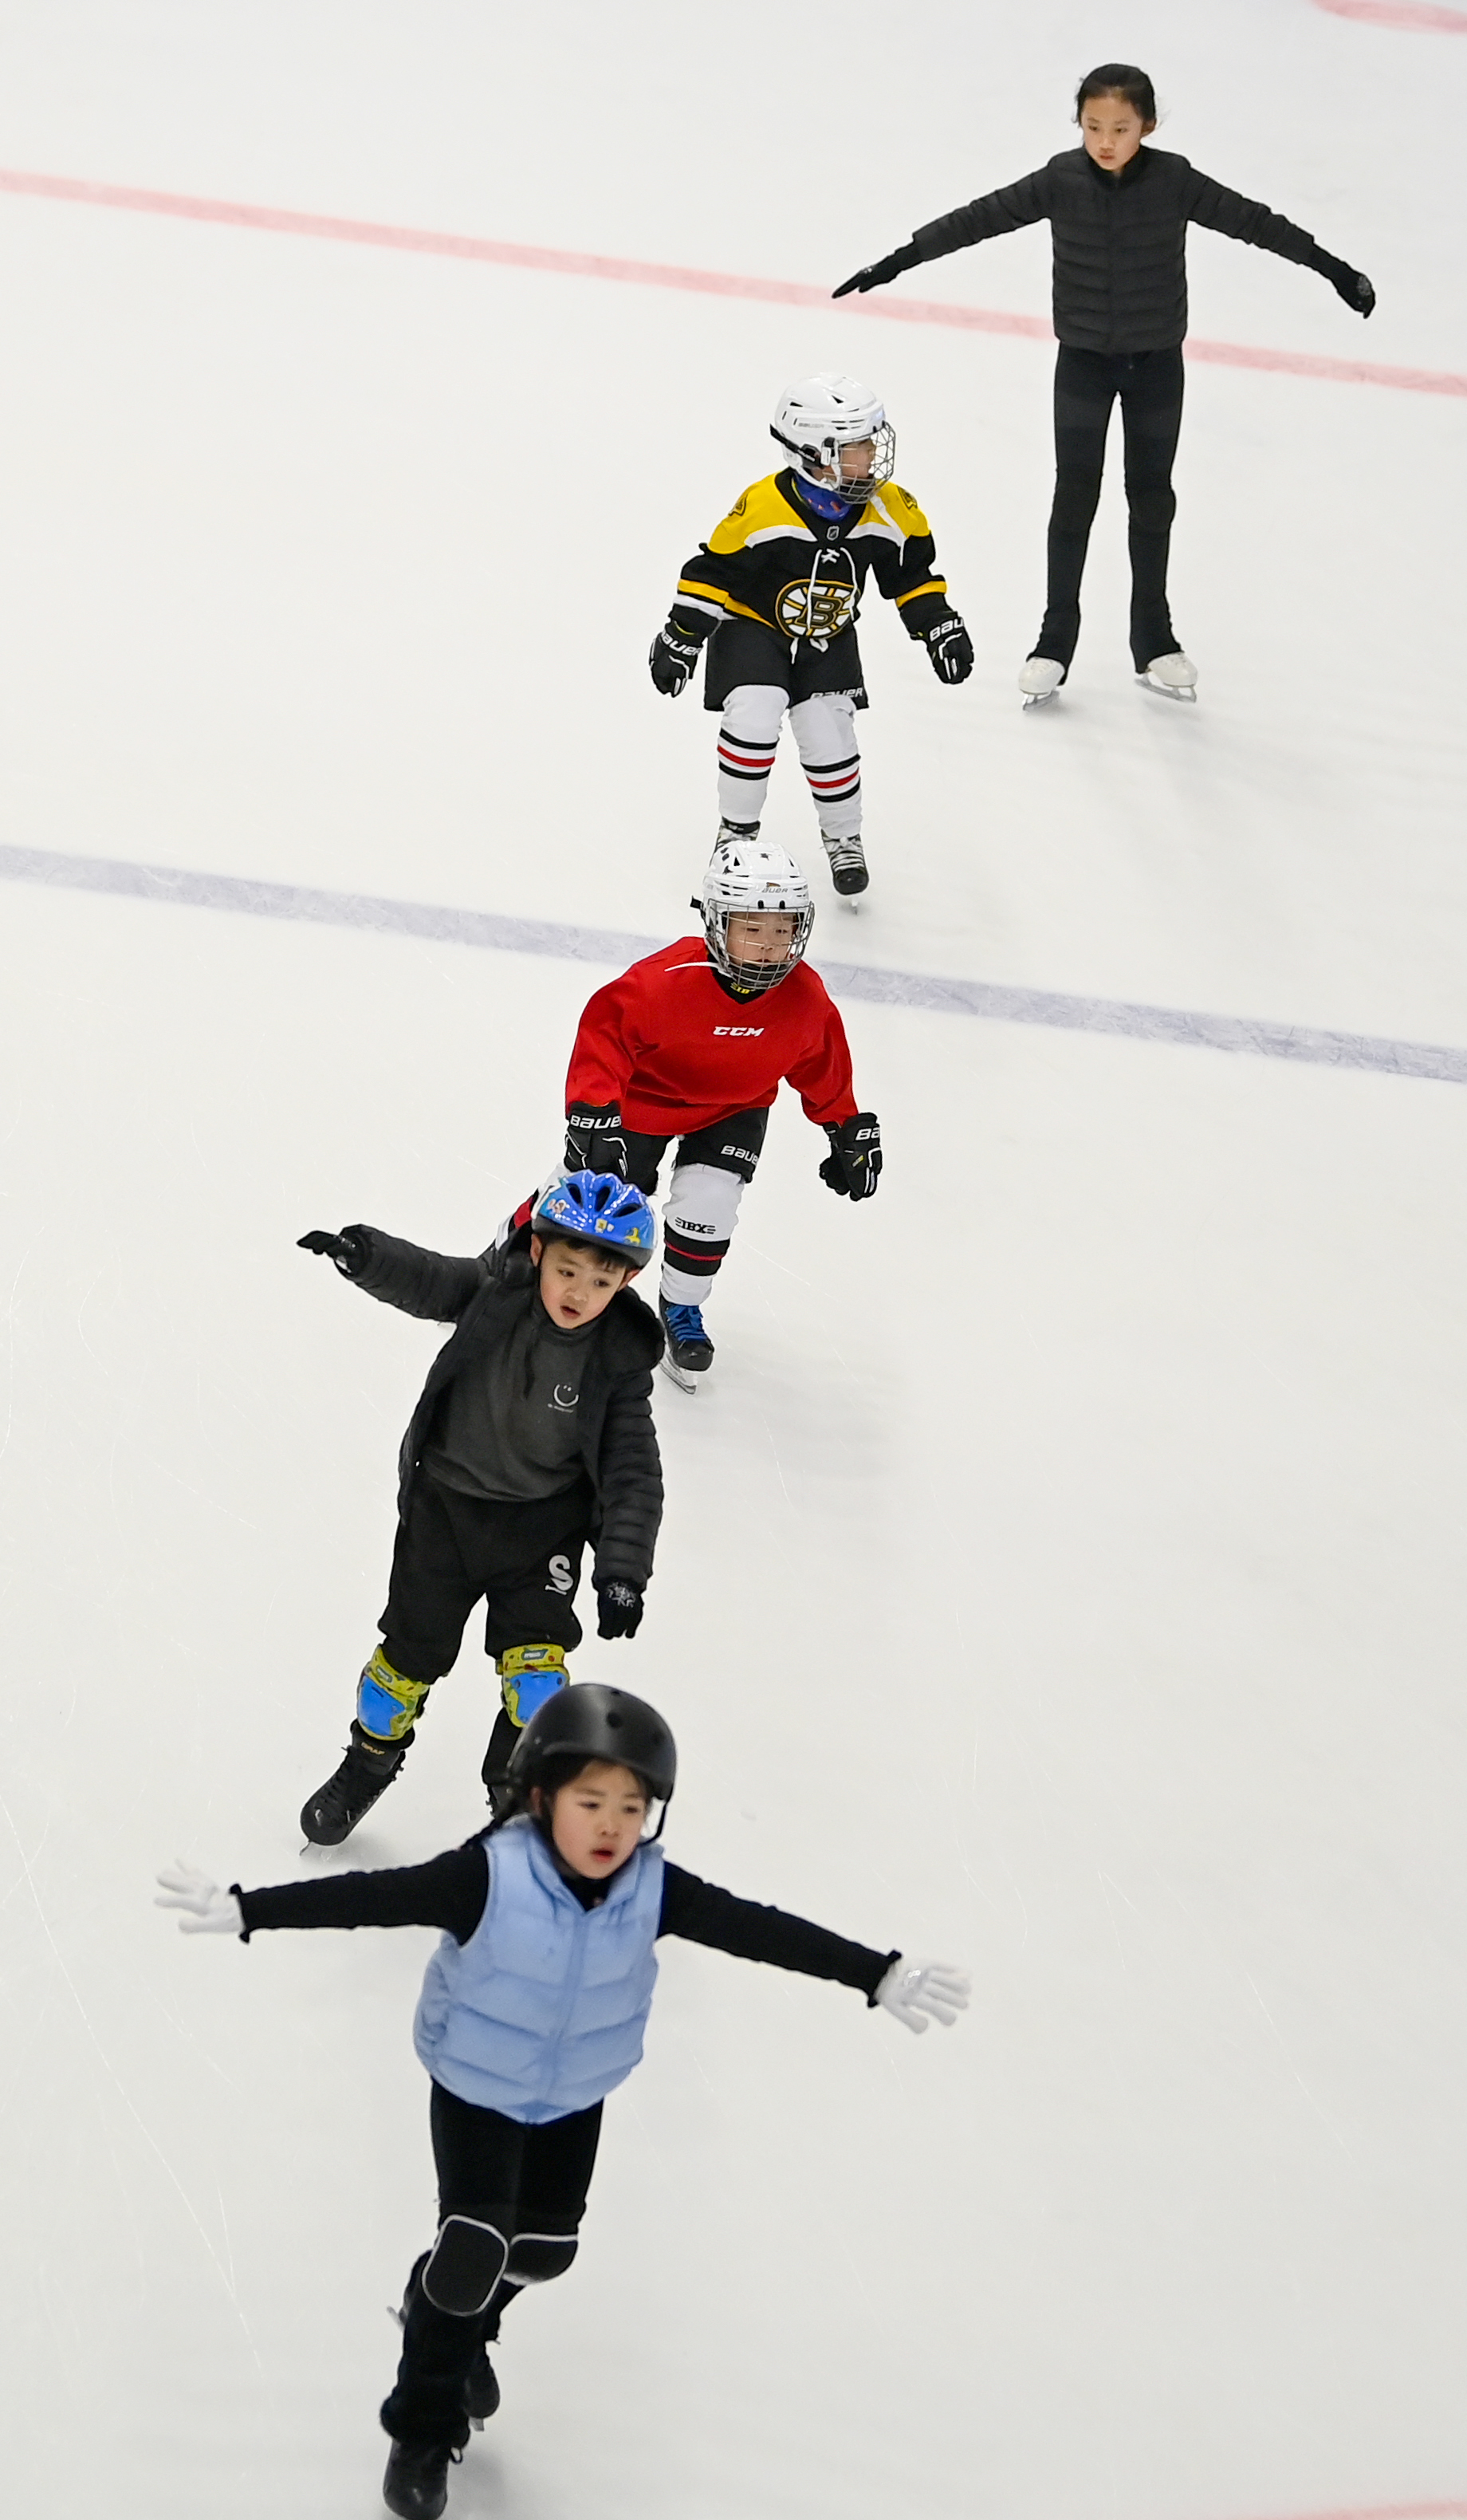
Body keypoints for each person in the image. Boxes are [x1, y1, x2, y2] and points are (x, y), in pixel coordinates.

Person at [156, 1683, 970, 2520]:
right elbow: (373, 1898)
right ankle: (424, 2427)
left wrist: (876, 1972)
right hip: (477, 2082)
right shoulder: (488, 1872)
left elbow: (758, 1927)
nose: (614, 1824)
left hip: (575, 2091)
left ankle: (449, 2310)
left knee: (541, 2252)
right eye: (592, 1802)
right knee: (473, 2251)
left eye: (633, 1805)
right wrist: (252, 1908)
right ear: (540, 1796)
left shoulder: (656, 1888)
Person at [835, 62, 1375, 706]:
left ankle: (1155, 639)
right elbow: (979, 218)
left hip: (1156, 366)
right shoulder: (1061, 180)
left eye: (1121, 127)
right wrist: (900, 259)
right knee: (1075, 499)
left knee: (1152, 499)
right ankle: (1053, 640)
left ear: (1147, 125)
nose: (1106, 140)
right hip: (1084, 364)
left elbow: (1256, 223)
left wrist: (1334, 269)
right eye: (1094, 126)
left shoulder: (1175, 181)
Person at [292, 1172, 663, 1845]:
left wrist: (623, 1573)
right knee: (398, 1672)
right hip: (445, 1515)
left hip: (539, 1531)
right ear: (537, 1253)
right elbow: (432, 1279)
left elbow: (634, 1472)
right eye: (567, 1270)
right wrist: (364, 1255)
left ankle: (514, 1801)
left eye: (601, 1283)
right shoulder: (497, 1295)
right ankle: (368, 1765)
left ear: (626, 1286)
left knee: (538, 1688)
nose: (579, 1293)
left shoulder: (617, 1360)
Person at [558, 836, 881, 1393]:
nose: (769, 946)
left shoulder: (805, 997)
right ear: (715, 921)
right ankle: (516, 1257)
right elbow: (604, 1036)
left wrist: (844, 1126)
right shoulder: (663, 983)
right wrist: (593, 1111)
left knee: (711, 1202)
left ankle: (681, 1309)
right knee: (603, 1199)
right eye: (752, 929)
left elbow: (820, 1061)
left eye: (783, 931)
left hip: (734, 1107)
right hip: (643, 1102)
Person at [647, 372, 973, 900]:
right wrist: (681, 636)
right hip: (752, 628)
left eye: (870, 442)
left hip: (829, 636)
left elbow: (910, 576)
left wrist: (939, 625)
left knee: (830, 736)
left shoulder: (891, 510)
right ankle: (737, 831)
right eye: (857, 447)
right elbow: (715, 574)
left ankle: (843, 837)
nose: (872, 455)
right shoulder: (764, 507)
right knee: (753, 716)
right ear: (814, 454)